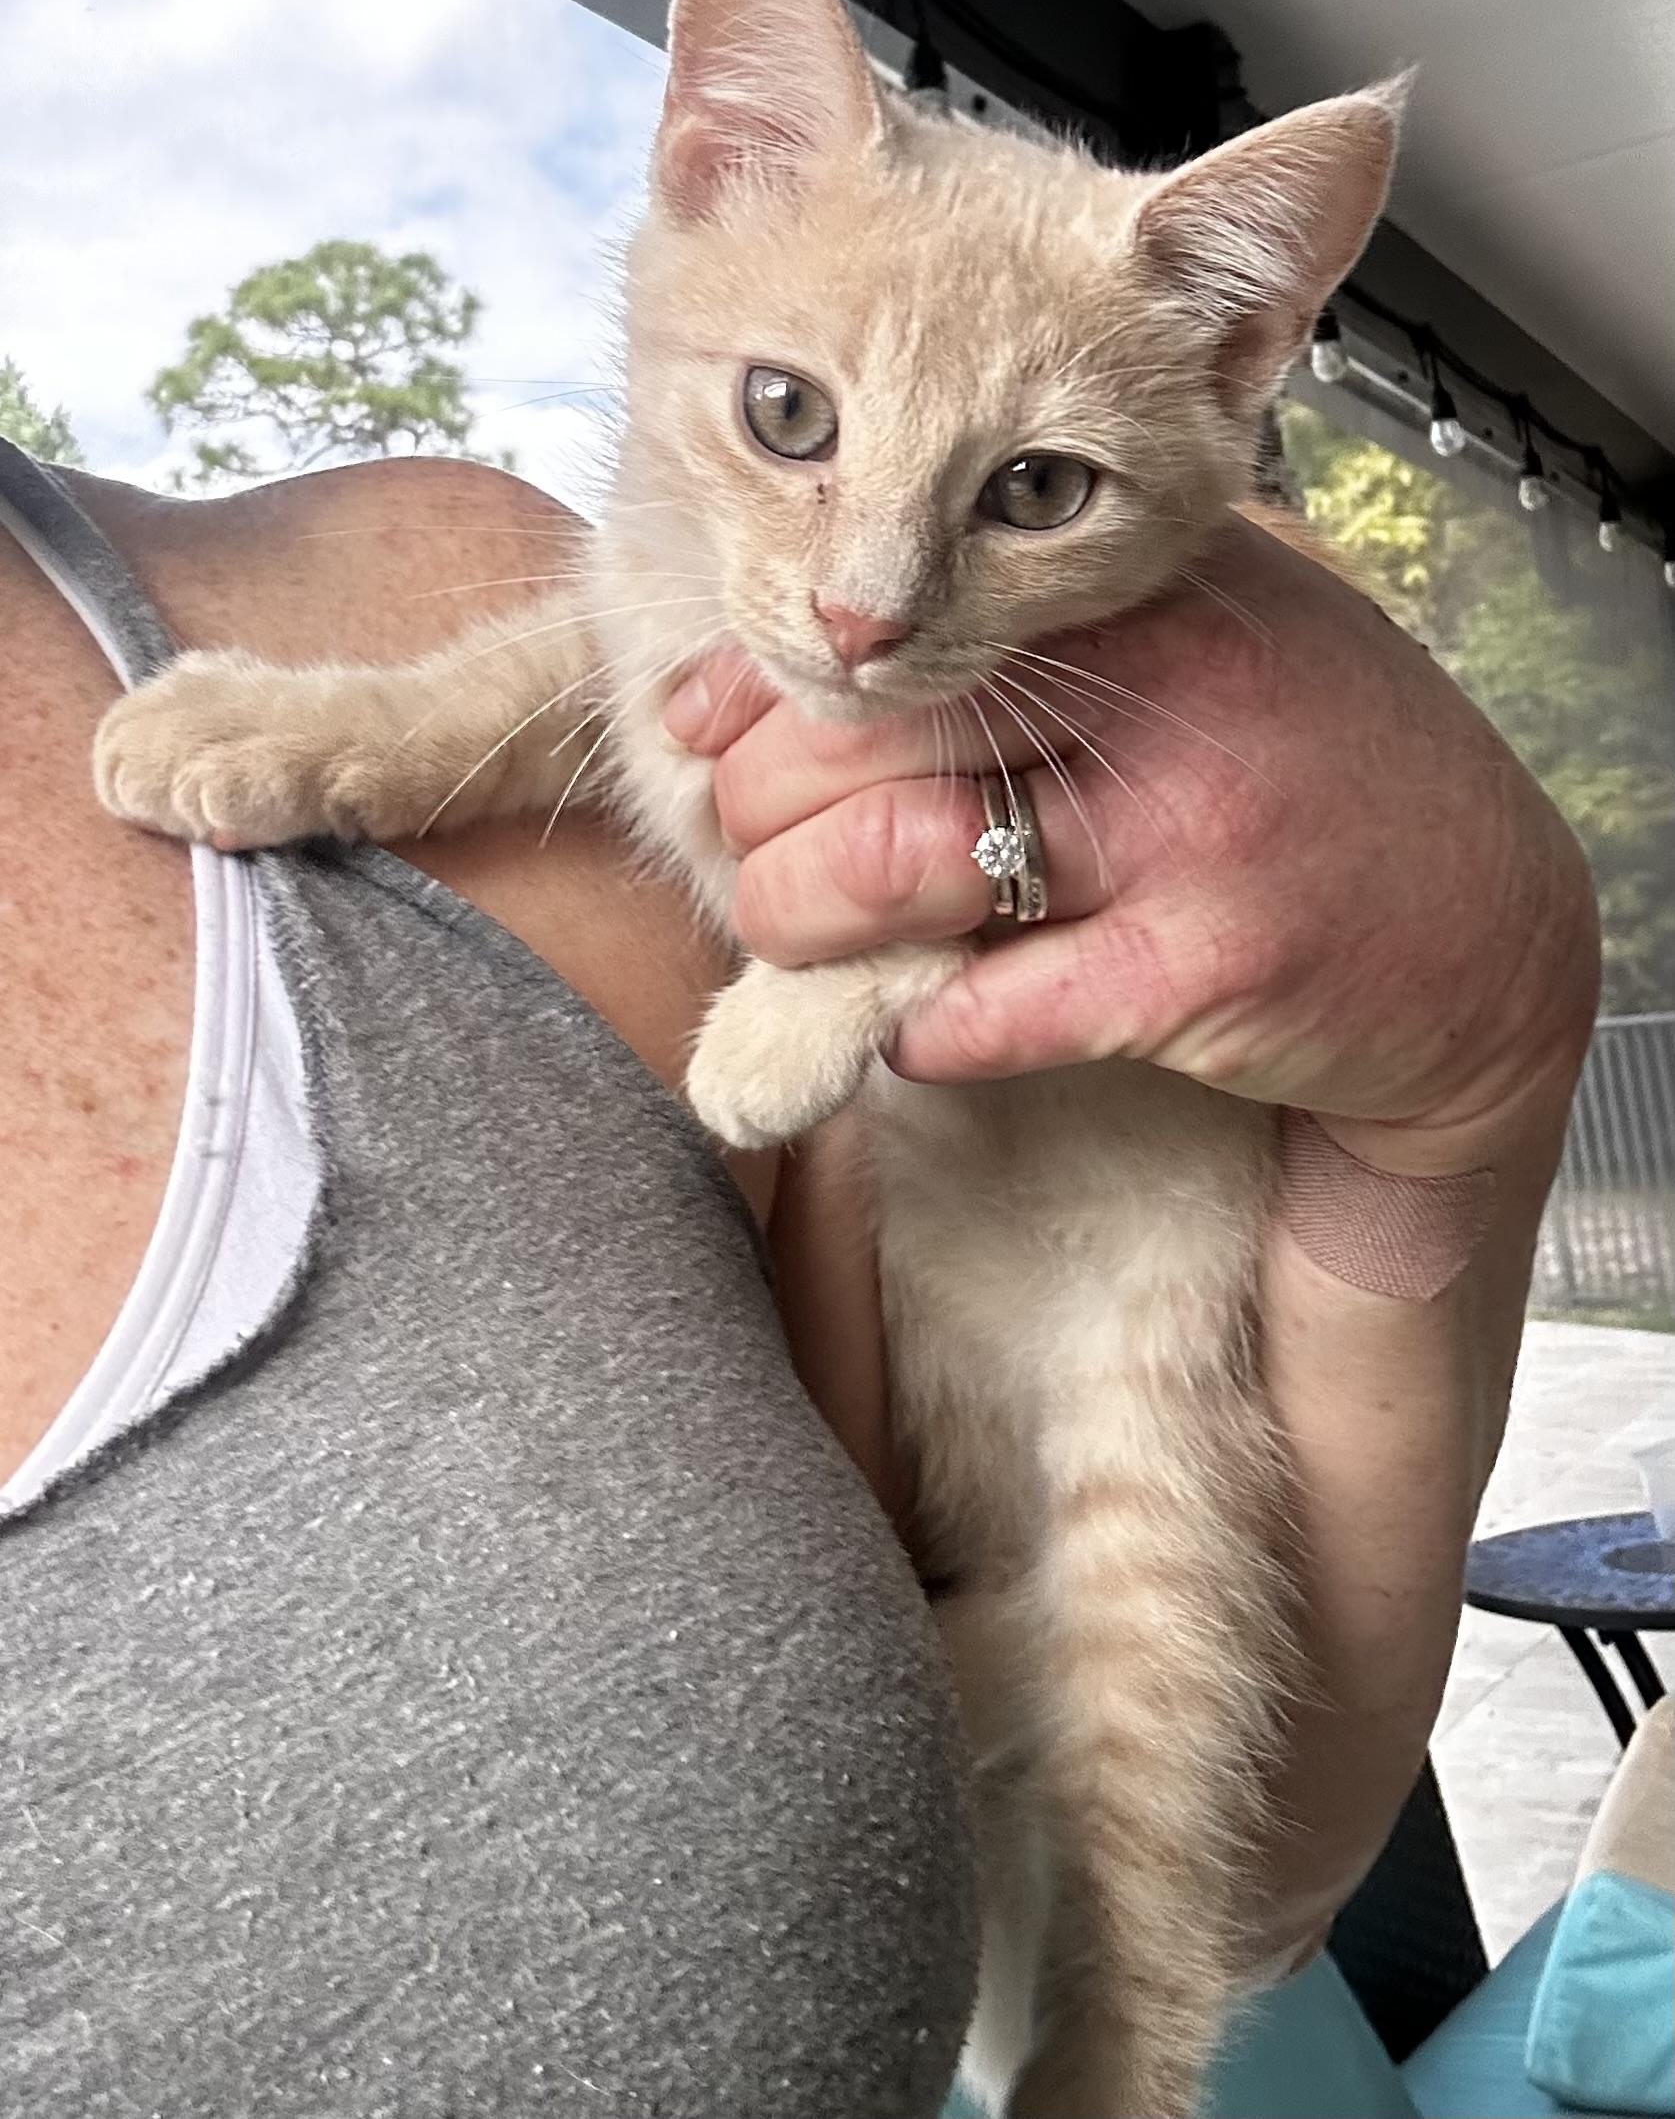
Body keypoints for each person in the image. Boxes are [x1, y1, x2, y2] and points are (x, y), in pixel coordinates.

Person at [1, 435, 1599, 2115]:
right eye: (787, 415)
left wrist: (1466, 1068)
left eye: (1028, 492)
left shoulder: (408, 557)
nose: (861, 589)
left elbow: (1266, 1854)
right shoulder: (562, 608)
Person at [0, 439, 974, 2119]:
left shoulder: (465, 585)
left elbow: (1148, 1780)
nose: (864, 589)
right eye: (797, 425)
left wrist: (1438, 1114)